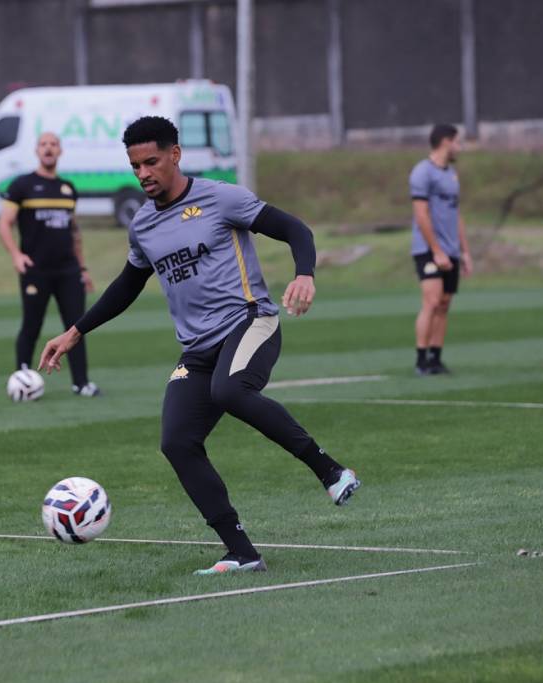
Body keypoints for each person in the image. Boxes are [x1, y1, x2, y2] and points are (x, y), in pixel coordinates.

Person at [39, 116, 359, 575]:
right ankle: (242, 552)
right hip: (197, 349)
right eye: (135, 166)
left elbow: (296, 230)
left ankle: (330, 470)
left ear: (175, 155)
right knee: (177, 442)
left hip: (250, 322)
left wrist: (304, 273)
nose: (143, 173)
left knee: (229, 391)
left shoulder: (221, 198)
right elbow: (128, 285)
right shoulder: (143, 224)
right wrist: (75, 332)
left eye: (151, 162)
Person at [0, 132, 100, 396]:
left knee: (76, 327)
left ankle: (81, 384)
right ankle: (22, 379)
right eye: (44, 144)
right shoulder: (22, 185)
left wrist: (83, 268)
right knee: (31, 325)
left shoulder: (68, 189)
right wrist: (16, 255)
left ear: (60, 151)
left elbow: (74, 232)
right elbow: (4, 223)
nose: (48, 148)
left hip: (68, 271)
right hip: (36, 270)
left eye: (53, 144)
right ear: (37, 150)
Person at [410, 123, 473, 375]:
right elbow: (421, 214)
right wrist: (436, 250)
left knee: (444, 303)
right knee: (432, 301)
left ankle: (436, 359)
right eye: (458, 142)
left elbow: (456, 215)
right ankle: (421, 360)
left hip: (451, 249)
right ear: (446, 141)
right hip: (427, 249)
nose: (460, 147)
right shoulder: (422, 172)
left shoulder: (451, 175)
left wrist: (464, 251)